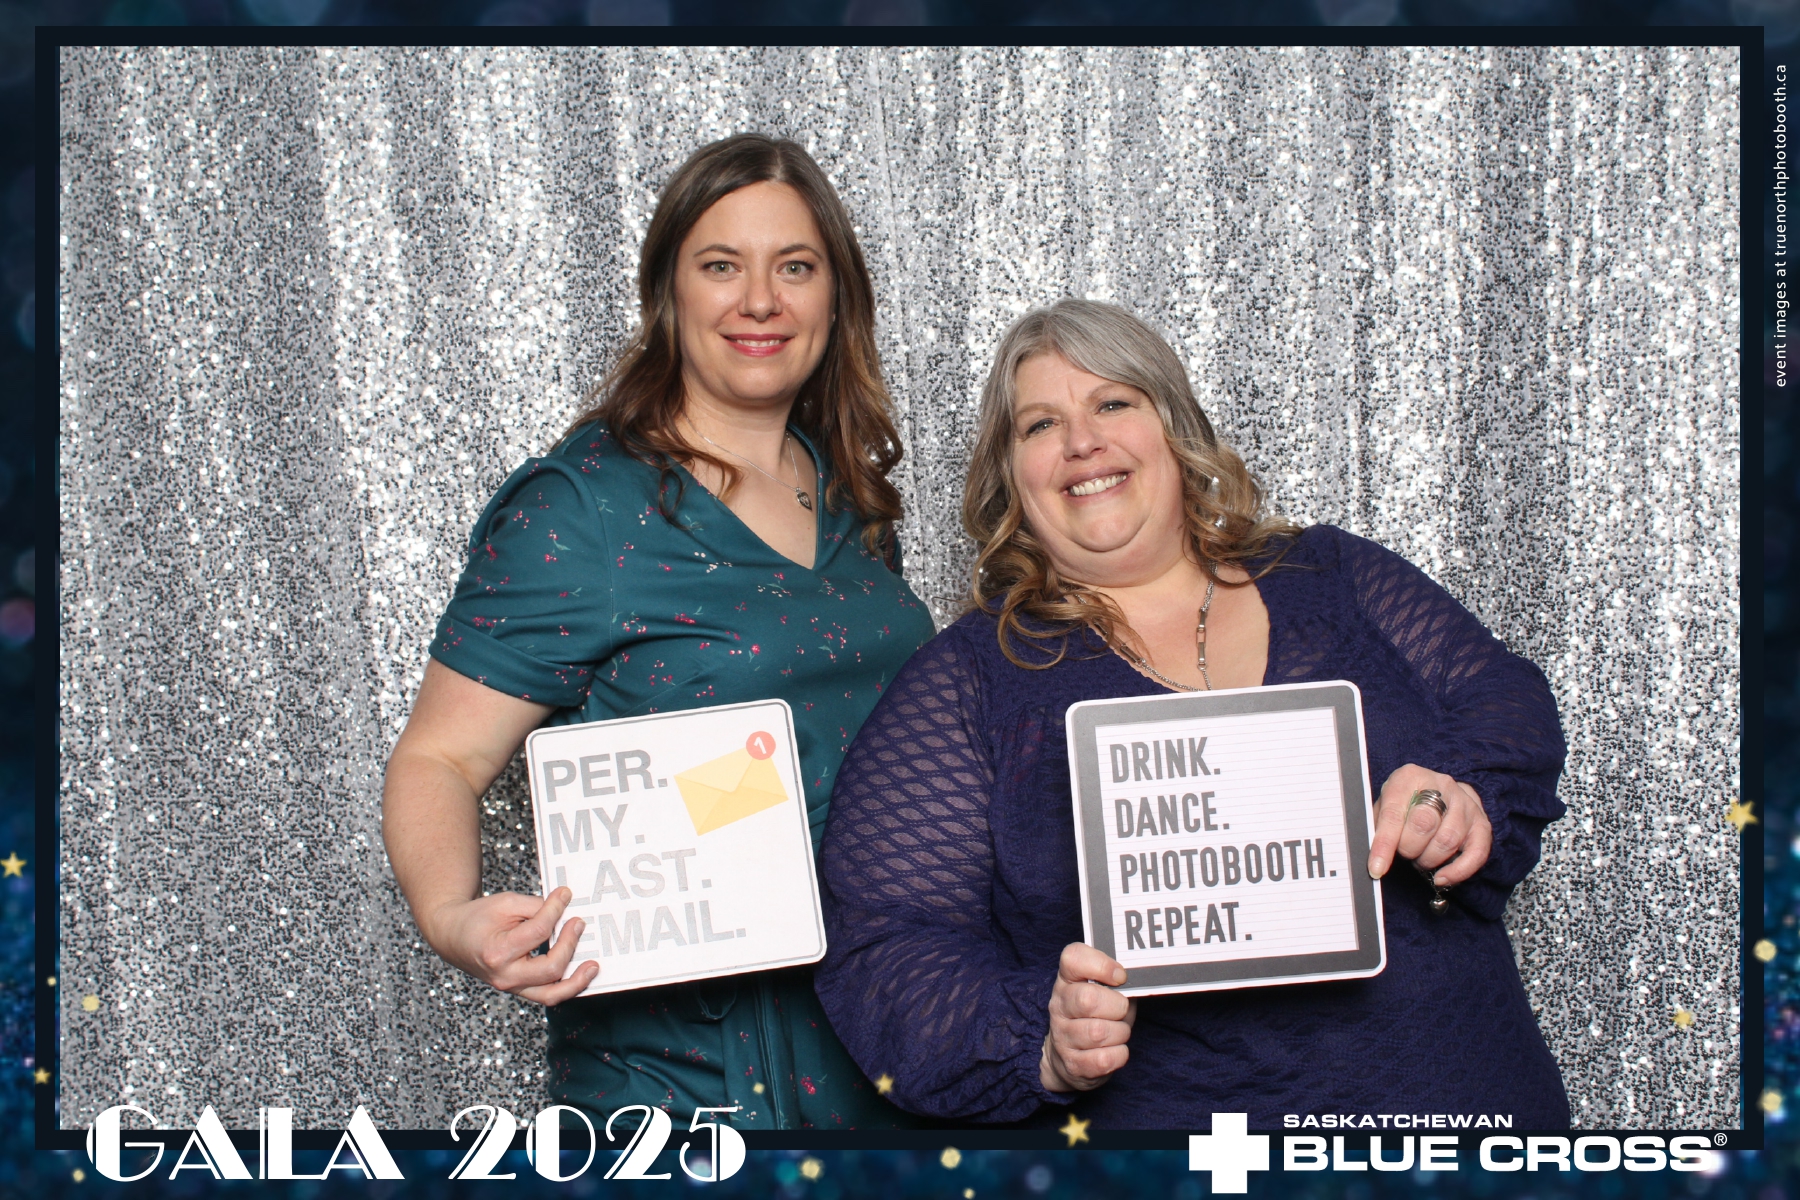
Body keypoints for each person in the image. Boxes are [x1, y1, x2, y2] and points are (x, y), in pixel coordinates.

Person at [813, 299, 1570, 1128]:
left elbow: (1504, 699)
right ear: (1011, 475)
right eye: (1040, 424)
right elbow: (884, 942)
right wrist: (1042, 1037)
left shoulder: (1333, 576)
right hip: (1186, 1150)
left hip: (1458, 1113)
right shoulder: (970, 679)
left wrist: (1458, 791)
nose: (1082, 441)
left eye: (1113, 402)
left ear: (1173, 428)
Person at [382, 134, 936, 1129]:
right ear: (669, 294)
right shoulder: (583, 508)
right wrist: (453, 917)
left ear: (835, 298)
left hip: (885, 1045)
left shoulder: (850, 496)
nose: (759, 301)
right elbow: (441, 756)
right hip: (688, 1084)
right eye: (721, 266)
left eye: (795, 267)